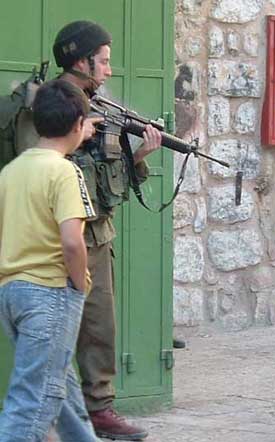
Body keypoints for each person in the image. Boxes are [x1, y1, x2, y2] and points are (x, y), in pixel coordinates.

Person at [51, 21, 162, 440]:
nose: (109, 71)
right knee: (85, 328)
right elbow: (71, 176)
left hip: (92, 233)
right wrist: (133, 158)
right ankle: (91, 412)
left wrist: (137, 155)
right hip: (74, 234)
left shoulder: (92, 104)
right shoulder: (64, 106)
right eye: (105, 61)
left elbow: (96, 175)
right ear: (82, 61)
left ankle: (91, 411)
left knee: (98, 327)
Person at [0, 80, 101, 441]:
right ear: (78, 125)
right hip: (50, 292)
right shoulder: (64, 171)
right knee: (34, 400)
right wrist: (79, 283)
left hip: (12, 294)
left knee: (61, 387)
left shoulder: (10, 172)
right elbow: (72, 242)